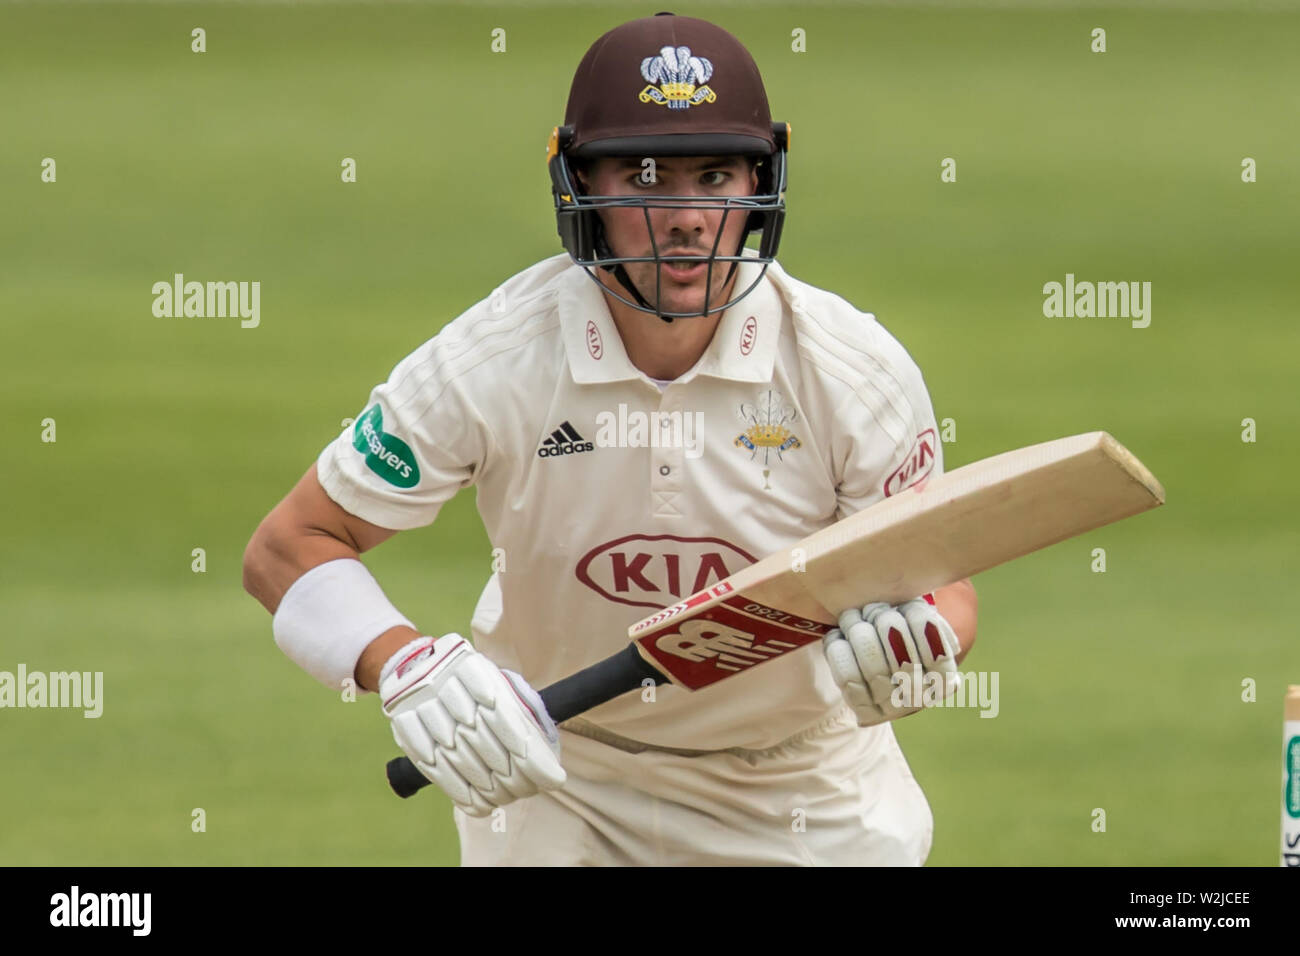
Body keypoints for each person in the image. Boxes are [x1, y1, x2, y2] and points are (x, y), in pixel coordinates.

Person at [243, 12, 978, 866]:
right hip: (565, 782)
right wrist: (403, 664)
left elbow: (941, 581)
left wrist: (924, 639)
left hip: (806, 789)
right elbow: (288, 546)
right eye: (647, 178)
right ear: (579, 185)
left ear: (760, 183)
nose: (688, 217)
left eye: (715, 177)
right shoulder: (493, 360)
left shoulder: (852, 372)